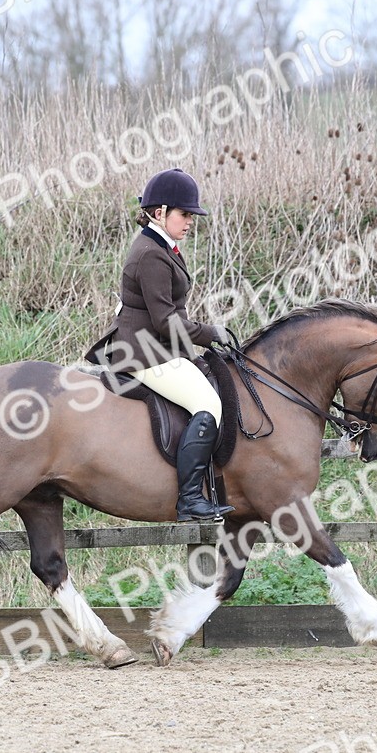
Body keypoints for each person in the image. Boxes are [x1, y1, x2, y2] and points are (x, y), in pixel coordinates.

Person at [85, 168, 236, 521]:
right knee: (207, 404)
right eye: (184, 215)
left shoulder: (161, 246)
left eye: (191, 216)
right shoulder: (151, 254)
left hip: (158, 347)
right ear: (159, 213)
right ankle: (189, 500)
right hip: (146, 353)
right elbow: (165, 321)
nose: (190, 222)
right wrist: (210, 333)